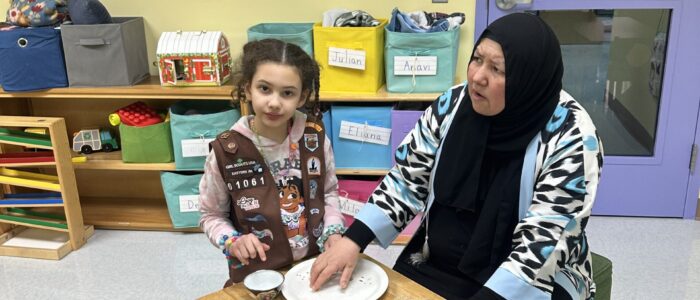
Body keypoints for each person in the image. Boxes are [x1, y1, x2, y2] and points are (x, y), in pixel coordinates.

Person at [309, 13, 603, 300]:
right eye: (477, 59)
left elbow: (545, 242)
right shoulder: (453, 104)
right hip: (441, 260)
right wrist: (353, 240)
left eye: (497, 69)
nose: (477, 77)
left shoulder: (571, 136)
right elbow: (407, 180)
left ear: (527, 79)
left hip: (533, 278)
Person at [199, 39, 346, 287]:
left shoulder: (315, 137)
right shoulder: (226, 151)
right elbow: (211, 214)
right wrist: (232, 240)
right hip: (257, 275)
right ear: (247, 88)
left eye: (287, 93)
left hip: (311, 267)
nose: (275, 102)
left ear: (302, 97)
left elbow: (328, 192)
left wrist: (333, 230)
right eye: (265, 89)